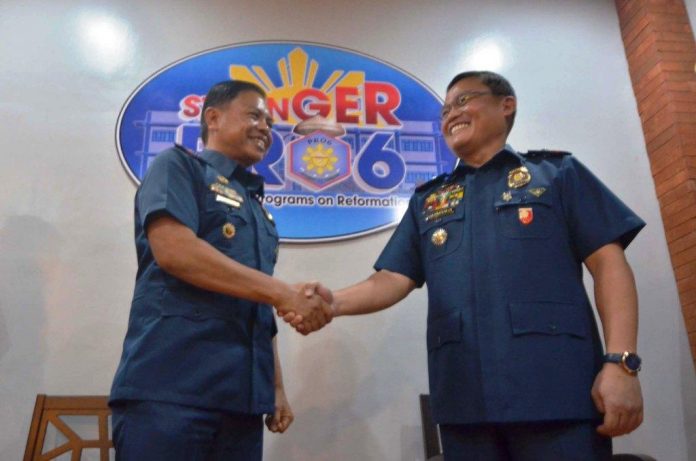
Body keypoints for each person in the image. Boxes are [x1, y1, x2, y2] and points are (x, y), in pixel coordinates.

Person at [290, 71, 645, 460]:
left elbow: (610, 267)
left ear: (506, 104)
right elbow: (392, 278)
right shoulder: (429, 200)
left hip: (556, 393)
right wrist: (332, 302)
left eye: (462, 101)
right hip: (464, 402)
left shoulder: (558, 174)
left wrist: (622, 363)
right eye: (443, 111)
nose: (449, 116)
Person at [109, 80, 333, 461]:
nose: (265, 127)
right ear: (212, 117)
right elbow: (176, 252)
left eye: (270, 121)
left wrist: (275, 387)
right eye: (254, 115)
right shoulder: (177, 167)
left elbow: (260, 303)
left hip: (241, 402)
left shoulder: (259, 211)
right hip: (171, 391)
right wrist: (283, 292)